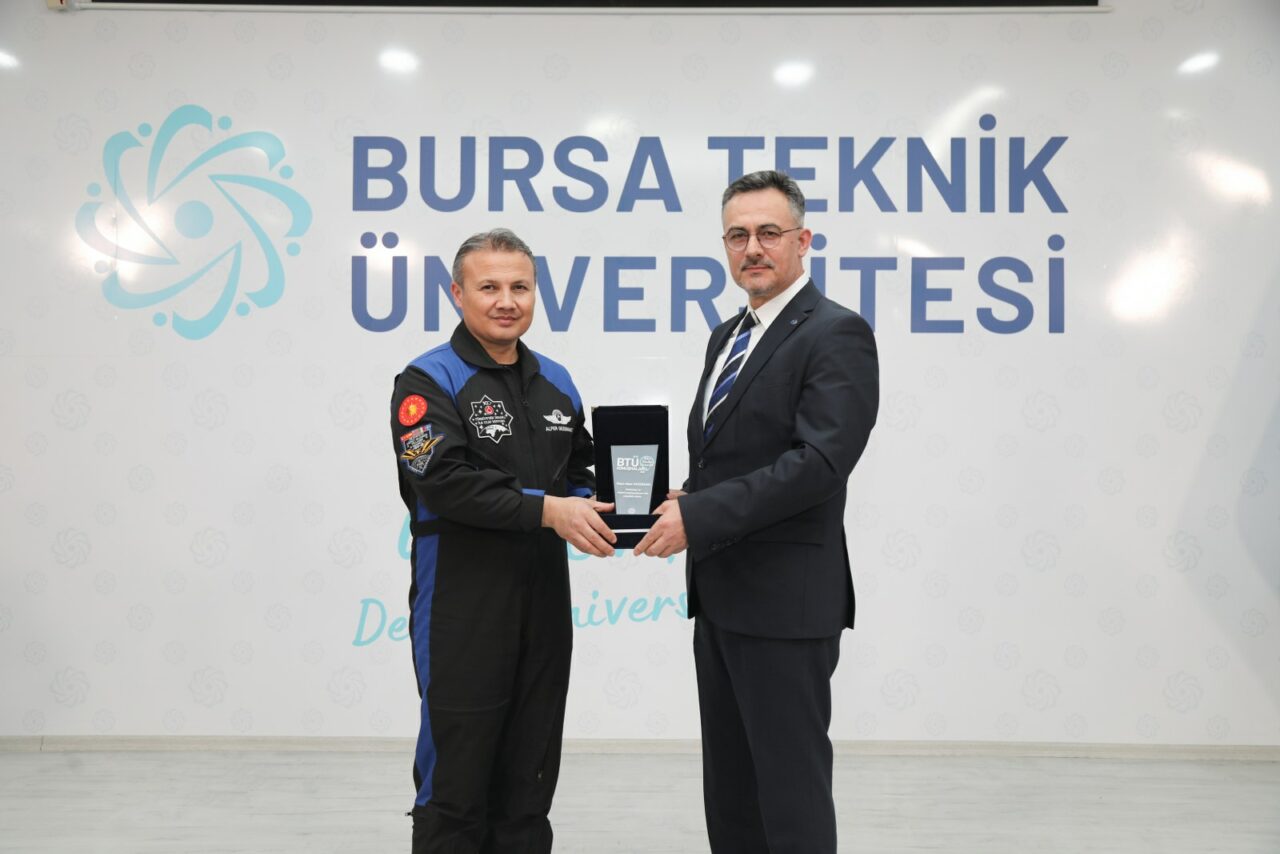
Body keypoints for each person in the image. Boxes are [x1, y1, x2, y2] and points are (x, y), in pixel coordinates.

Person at [634, 171, 879, 853]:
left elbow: (818, 464)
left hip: (785, 607)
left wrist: (701, 516)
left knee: (790, 801)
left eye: (769, 233)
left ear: (803, 240)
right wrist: (690, 497)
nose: (752, 248)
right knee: (733, 798)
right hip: (720, 599)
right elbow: (735, 455)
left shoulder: (836, 333)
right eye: (737, 235)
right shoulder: (727, 335)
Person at [389, 228, 615, 853]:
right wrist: (550, 511)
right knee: (456, 785)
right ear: (458, 293)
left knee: (529, 783)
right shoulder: (427, 379)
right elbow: (446, 483)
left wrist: (633, 500)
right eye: (489, 287)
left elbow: (580, 475)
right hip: (461, 609)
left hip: (543, 609)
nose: (506, 301)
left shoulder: (557, 381)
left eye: (520, 287)